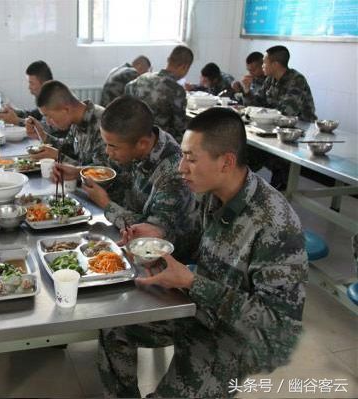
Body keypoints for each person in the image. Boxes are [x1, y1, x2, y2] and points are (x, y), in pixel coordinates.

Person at [98, 107, 308, 398]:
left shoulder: (274, 225)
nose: (181, 167)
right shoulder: (213, 193)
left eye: (191, 158)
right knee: (113, 328)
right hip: (198, 308)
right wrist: (158, 237)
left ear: (226, 162)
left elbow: (278, 325)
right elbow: (196, 240)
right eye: (183, 155)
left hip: (236, 338)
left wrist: (193, 283)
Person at [54, 96, 194, 258]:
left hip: (162, 258)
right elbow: (114, 173)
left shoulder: (173, 173)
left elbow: (150, 236)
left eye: (112, 146)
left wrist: (106, 204)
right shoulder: (133, 144)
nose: (107, 152)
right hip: (123, 235)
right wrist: (77, 171)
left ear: (141, 143)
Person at [26, 80, 106, 166]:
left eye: (49, 116)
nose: (48, 122)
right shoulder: (76, 118)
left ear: (66, 109)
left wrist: (58, 157)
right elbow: (68, 148)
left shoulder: (102, 123)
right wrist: (42, 135)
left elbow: (102, 172)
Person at [125, 45, 194, 143]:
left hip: (134, 137)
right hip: (159, 143)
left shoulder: (143, 78)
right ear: (184, 67)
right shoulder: (176, 90)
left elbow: (128, 88)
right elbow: (179, 126)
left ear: (168, 60)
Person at [244, 45, 317, 122]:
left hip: (301, 127)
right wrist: (247, 91)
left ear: (275, 65)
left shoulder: (297, 80)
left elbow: (287, 112)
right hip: (277, 125)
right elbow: (255, 105)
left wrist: (263, 112)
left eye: (264, 63)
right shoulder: (270, 79)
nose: (262, 66)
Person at [0, 60, 54, 126]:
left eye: (32, 83)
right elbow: (34, 115)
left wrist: (16, 121)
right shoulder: (46, 98)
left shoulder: (54, 101)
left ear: (44, 84)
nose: (29, 87)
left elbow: (45, 128)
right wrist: (14, 112)